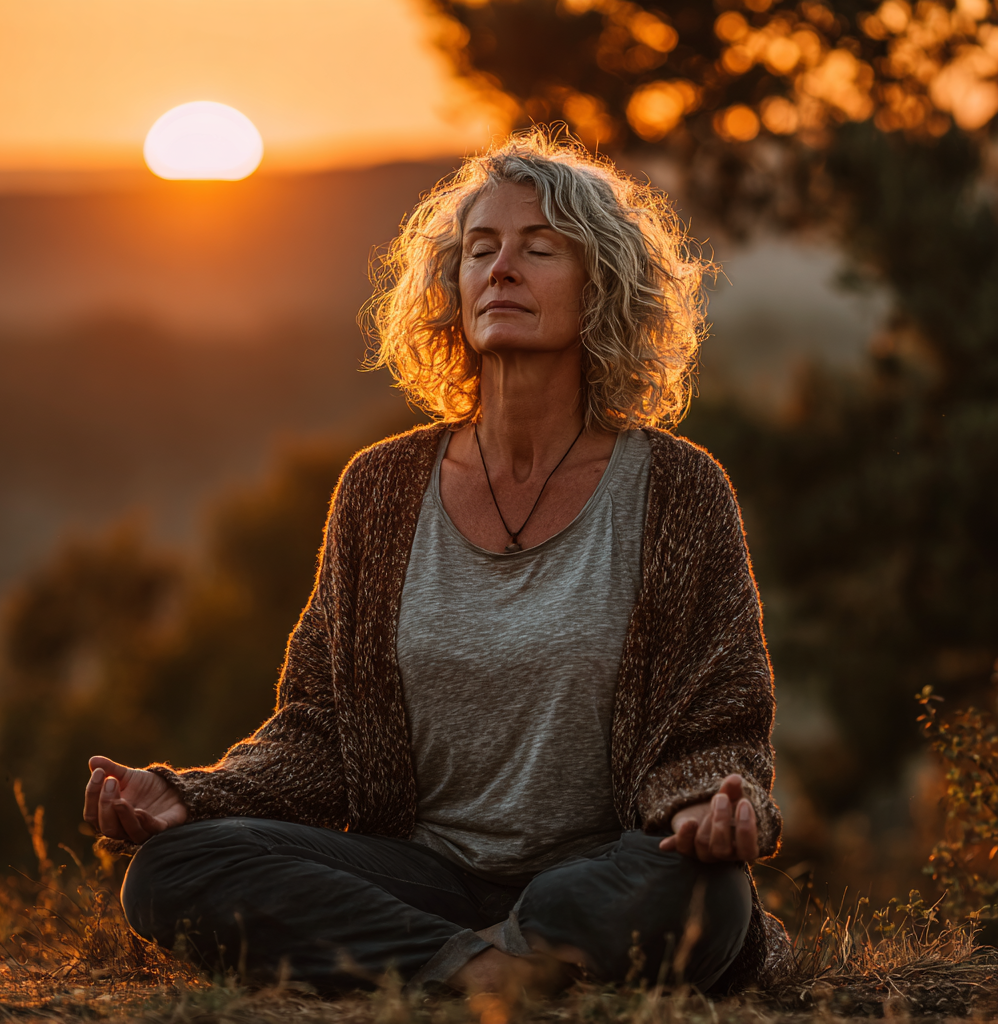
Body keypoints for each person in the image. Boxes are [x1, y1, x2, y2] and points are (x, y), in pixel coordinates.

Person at [83, 131, 788, 996]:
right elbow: (320, 731)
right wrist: (191, 796)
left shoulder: (679, 489)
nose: (502, 270)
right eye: (480, 250)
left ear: (602, 284)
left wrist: (709, 806)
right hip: (423, 876)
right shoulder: (380, 490)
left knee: (708, 892)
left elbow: (719, 721)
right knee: (173, 868)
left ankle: (452, 961)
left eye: (539, 249)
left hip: (601, 872)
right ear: (452, 288)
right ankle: (494, 969)